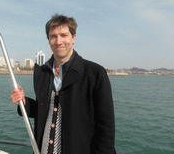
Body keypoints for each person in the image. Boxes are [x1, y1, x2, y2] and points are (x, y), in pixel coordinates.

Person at [11, 14, 116, 154]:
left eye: (64, 35)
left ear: (73, 38)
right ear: (48, 40)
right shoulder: (43, 73)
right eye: (53, 36)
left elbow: (106, 128)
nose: (58, 41)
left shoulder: (95, 74)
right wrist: (24, 102)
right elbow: (45, 110)